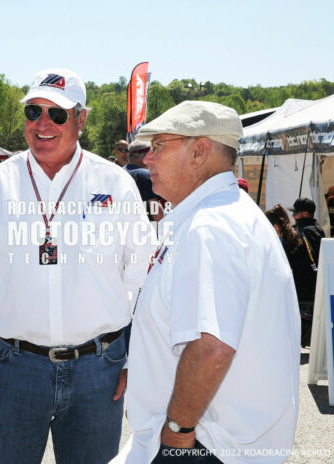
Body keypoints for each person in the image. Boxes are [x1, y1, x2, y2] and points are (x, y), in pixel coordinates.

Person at [0, 68, 153, 464]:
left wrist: (137, 359)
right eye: (33, 111)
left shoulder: (116, 183)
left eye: (57, 114)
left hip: (100, 369)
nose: (43, 124)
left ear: (81, 119)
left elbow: (144, 278)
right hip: (16, 368)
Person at [114, 101, 300, 463]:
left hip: (203, 446)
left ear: (199, 151)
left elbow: (212, 347)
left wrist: (177, 432)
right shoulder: (225, 214)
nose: (147, 159)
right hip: (212, 443)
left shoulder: (211, 226)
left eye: (158, 147)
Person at [266, 204, 316, 346]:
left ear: (275, 227)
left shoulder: (292, 242)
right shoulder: (294, 237)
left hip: (300, 289)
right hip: (300, 287)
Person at [124, 140, 164, 222]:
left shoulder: (119, 172)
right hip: (145, 228)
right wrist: (163, 232)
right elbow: (155, 208)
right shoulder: (145, 175)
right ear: (146, 155)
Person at [291, 197, 325, 262]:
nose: (293, 216)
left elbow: (308, 256)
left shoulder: (308, 231)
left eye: (295, 213)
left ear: (305, 214)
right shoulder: (313, 227)